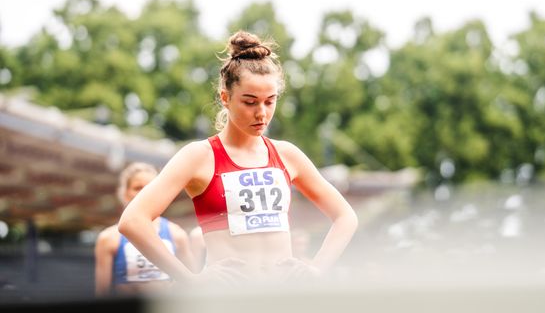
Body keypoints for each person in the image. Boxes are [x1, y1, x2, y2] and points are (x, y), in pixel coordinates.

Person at [118, 30, 358, 286]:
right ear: (225, 97)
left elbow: (346, 217)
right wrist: (189, 280)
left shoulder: (287, 155)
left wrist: (317, 270)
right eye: (250, 101)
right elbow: (133, 221)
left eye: (270, 101)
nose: (262, 113)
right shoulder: (198, 156)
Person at [94, 162, 194, 296]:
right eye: (137, 188)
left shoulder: (177, 234)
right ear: (124, 193)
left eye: (149, 187)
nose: (144, 192)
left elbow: (194, 284)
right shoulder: (108, 238)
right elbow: (102, 293)